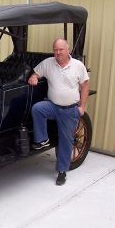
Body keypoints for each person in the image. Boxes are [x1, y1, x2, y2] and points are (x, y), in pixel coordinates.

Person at [28, 38, 89, 186]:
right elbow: (36, 72)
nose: (58, 52)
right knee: (37, 109)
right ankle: (43, 140)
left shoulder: (78, 66)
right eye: (55, 49)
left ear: (68, 50)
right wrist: (34, 77)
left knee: (66, 141)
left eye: (61, 49)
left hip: (69, 110)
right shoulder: (49, 63)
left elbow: (85, 85)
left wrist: (82, 107)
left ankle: (62, 172)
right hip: (52, 106)